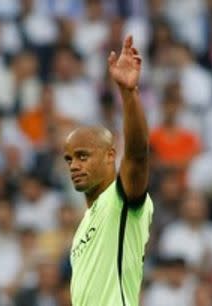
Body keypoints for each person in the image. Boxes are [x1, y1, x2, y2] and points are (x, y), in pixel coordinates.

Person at [64, 35, 154, 306]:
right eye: (68, 159)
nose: (74, 166)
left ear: (110, 156)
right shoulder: (84, 226)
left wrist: (129, 95)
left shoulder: (119, 201)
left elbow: (138, 156)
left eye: (82, 156)